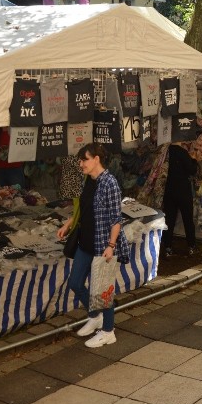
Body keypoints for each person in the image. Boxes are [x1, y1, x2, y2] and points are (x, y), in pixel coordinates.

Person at [58, 143, 130, 348]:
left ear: (97, 159)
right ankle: (95, 315)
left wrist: (111, 245)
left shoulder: (110, 183)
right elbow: (83, 207)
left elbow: (116, 219)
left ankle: (108, 331)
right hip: (85, 242)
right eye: (80, 160)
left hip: (102, 244)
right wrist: (68, 223)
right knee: (75, 283)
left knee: (103, 290)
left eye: (84, 160)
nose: (81, 164)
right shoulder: (88, 180)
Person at [162, 141, 199, 256]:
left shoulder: (164, 153)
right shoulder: (182, 152)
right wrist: (194, 160)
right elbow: (192, 170)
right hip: (183, 191)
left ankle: (167, 247)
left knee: (169, 220)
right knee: (187, 219)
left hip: (168, 190)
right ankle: (191, 246)